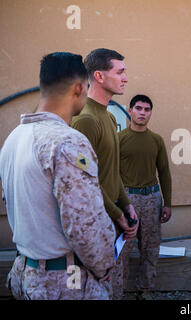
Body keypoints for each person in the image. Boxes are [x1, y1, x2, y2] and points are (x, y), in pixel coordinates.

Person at [0, 52, 115, 299]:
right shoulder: (67, 142)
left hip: (27, 273)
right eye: (86, 87)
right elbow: (84, 224)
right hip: (64, 282)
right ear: (78, 88)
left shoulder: (13, 138)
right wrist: (105, 267)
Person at [71, 48, 138, 300]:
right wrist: (117, 214)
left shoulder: (109, 117)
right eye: (120, 72)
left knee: (113, 286)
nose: (125, 78)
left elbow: (111, 171)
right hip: (95, 221)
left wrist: (127, 205)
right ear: (99, 76)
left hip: (111, 219)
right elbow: (84, 180)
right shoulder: (86, 120)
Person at [119, 94, 172, 300]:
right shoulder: (119, 139)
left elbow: (164, 172)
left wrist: (167, 203)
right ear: (130, 111)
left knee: (150, 247)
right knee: (122, 249)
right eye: (138, 108)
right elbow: (111, 173)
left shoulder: (156, 140)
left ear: (150, 113)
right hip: (127, 198)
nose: (142, 113)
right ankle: (119, 290)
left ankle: (145, 290)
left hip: (152, 197)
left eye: (147, 109)